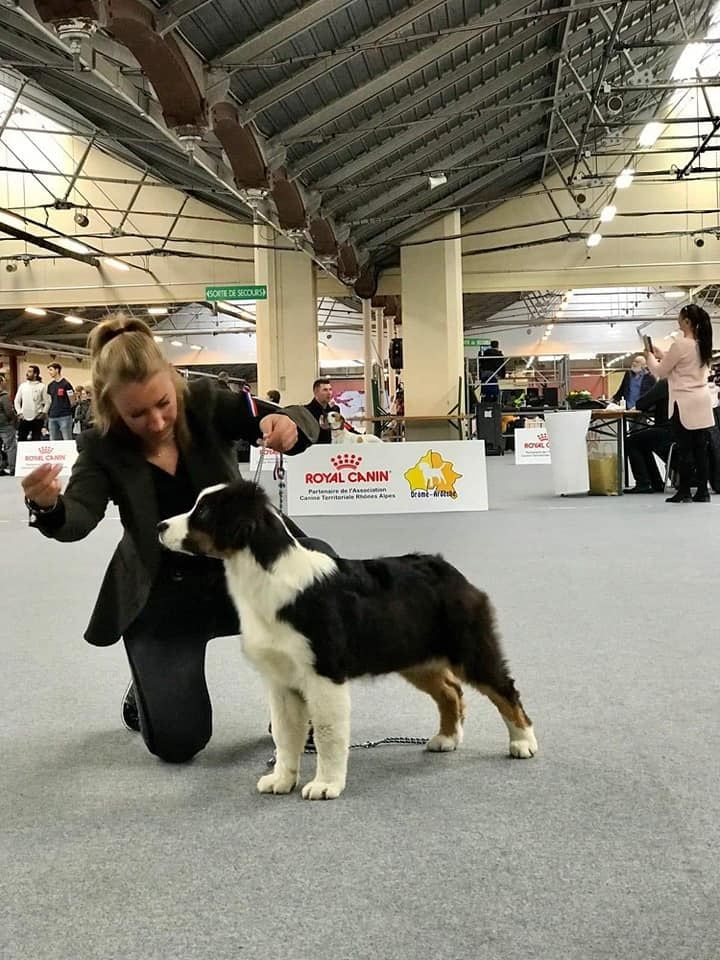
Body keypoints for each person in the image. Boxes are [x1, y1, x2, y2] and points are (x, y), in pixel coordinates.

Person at [21, 315, 329, 764]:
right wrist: (48, 505)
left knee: (320, 570)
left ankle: (295, 707)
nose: (157, 420)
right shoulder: (102, 447)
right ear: (111, 407)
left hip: (243, 573)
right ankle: (146, 683)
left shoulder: (208, 402)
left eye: (163, 403)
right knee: (178, 743)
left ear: (172, 378)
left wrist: (287, 423)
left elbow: (290, 417)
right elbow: (79, 517)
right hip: (165, 593)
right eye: (137, 414)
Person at [646, 303, 714, 503]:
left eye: (680, 317)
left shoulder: (680, 344)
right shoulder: (703, 343)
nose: (677, 319)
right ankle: (702, 491)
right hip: (702, 401)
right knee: (700, 448)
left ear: (687, 321)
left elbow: (660, 372)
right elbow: (684, 364)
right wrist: (663, 355)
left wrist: (649, 357)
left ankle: (684, 490)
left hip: (683, 401)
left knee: (684, 448)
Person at [624, 379, 672, 493]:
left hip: (667, 430)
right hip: (682, 432)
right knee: (643, 442)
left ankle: (643, 483)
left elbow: (642, 403)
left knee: (630, 441)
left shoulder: (665, 383)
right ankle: (655, 482)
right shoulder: (685, 383)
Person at [14, 365, 48, 441]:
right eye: (27, 371)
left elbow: (47, 402)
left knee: (36, 440)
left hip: (37, 418)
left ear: (35, 374)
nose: (27, 373)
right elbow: (17, 401)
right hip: (24, 418)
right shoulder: (23, 386)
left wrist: (43, 413)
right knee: (21, 440)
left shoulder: (42, 386)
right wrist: (19, 413)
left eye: (29, 372)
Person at [305, 377, 340, 444]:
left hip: (333, 446)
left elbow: (340, 428)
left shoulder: (335, 409)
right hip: (315, 447)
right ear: (316, 392)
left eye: (330, 389)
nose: (329, 393)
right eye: (325, 390)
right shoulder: (307, 411)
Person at [46, 362, 76, 440]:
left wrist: (66, 409)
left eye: (51, 370)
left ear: (57, 370)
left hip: (64, 416)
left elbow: (72, 401)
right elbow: (49, 401)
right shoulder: (50, 385)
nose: (49, 372)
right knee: (53, 439)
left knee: (66, 438)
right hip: (52, 416)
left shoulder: (66, 384)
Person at [0, 372, 17, 476]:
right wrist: (14, 421)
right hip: (5, 425)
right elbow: (9, 411)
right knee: (10, 446)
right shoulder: (4, 396)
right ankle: (13, 468)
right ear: (1, 382)